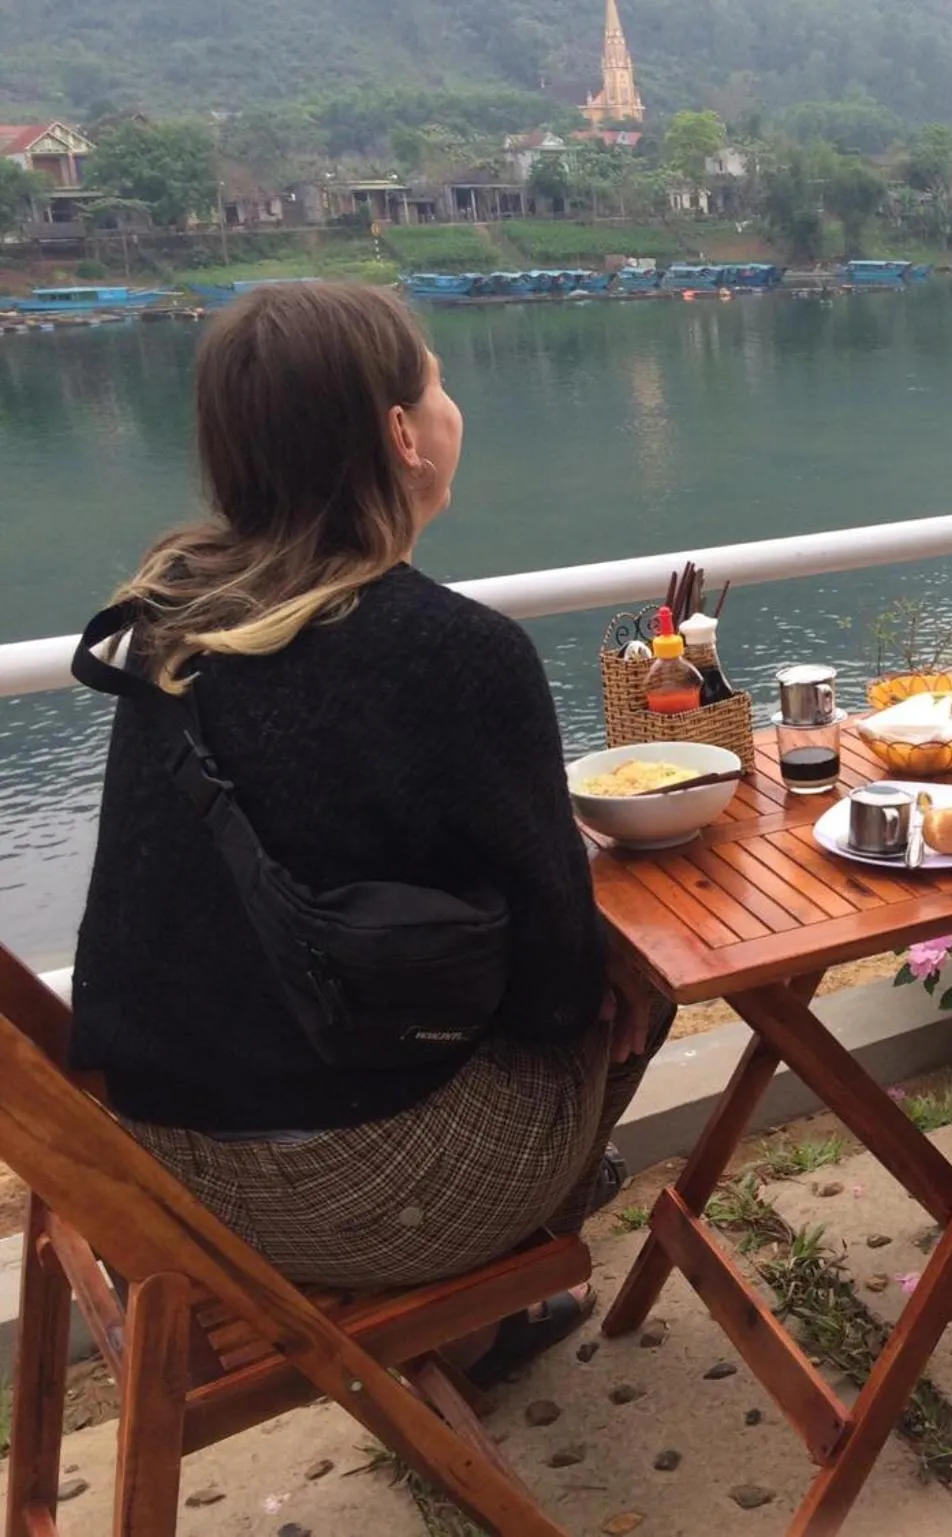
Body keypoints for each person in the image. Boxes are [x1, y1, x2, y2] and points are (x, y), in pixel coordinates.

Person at [69, 282, 662, 1382]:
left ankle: (484, 1301)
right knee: (641, 977)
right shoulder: (455, 654)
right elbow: (553, 995)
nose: (448, 405)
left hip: (152, 1179)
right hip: (361, 1199)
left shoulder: (167, 625)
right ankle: (502, 1265)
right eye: (436, 380)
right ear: (401, 435)